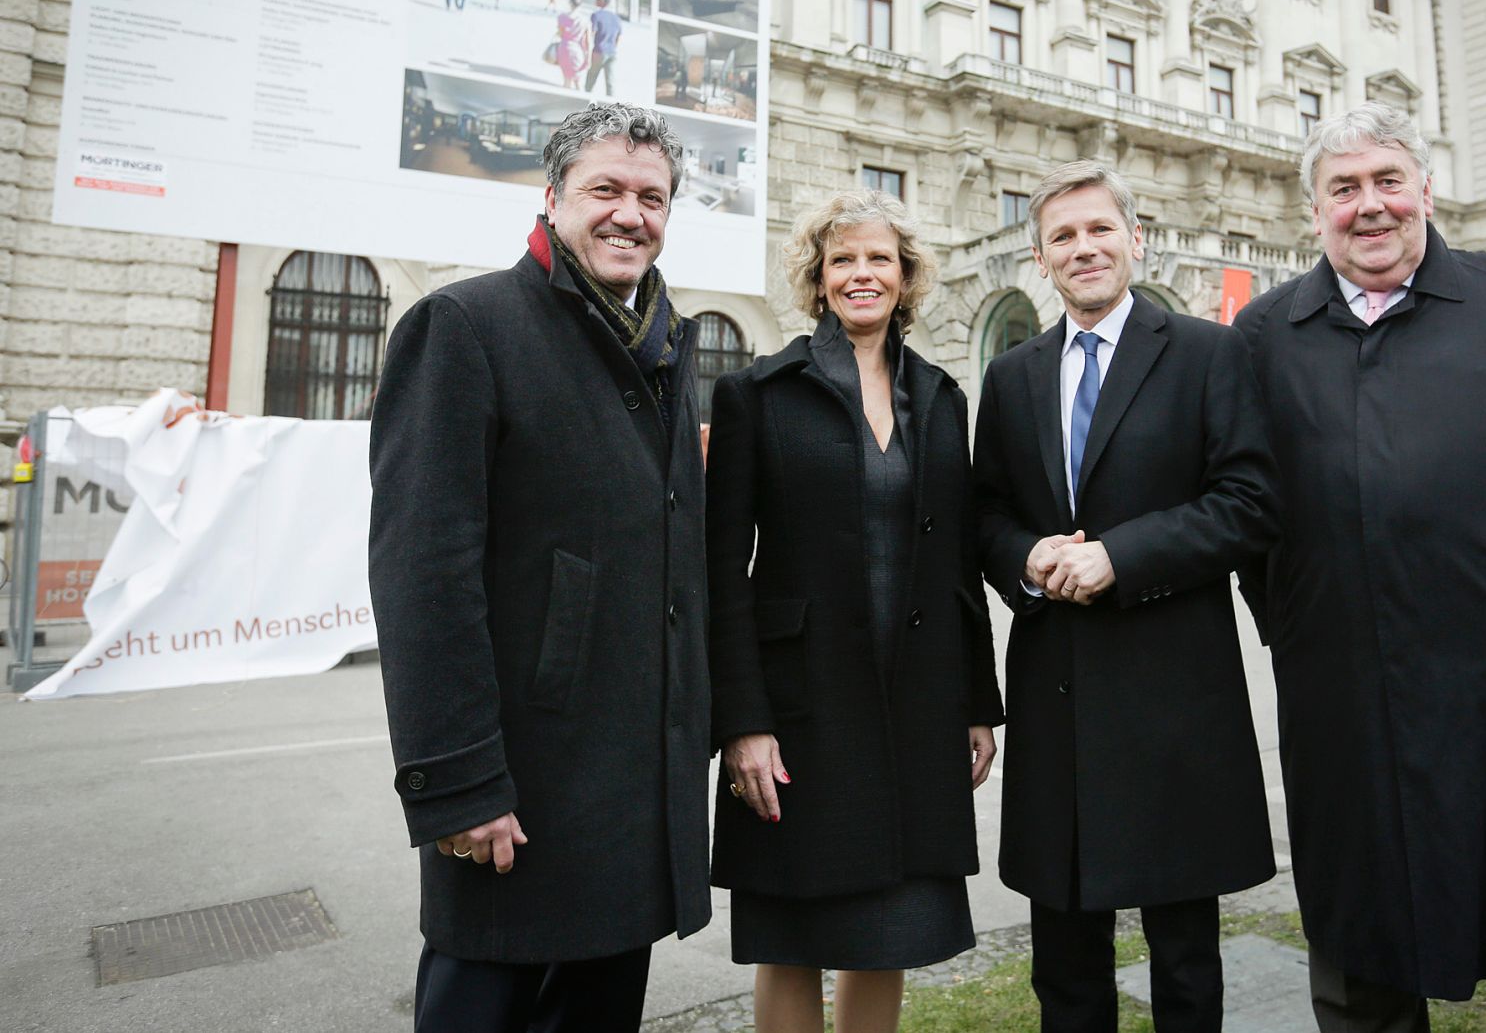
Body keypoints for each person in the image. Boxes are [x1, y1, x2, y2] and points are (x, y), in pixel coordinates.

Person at [1234, 104, 1486, 1033]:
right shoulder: (1266, 334)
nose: (1369, 206)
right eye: (1343, 189)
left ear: (1426, 188)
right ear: (1314, 213)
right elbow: (1247, 510)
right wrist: (1300, 620)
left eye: (1388, 181)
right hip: (1344, 689)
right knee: (1360, 940)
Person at [368, 102, 711, 1033]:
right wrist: (460, 784)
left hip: (630, 791)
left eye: (652, 197)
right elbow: (422, 575)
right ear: (554, 196)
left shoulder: (662, 345)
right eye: (606, 190)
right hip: (517, 793)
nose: (629, 215)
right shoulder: (465, 326)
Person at [972, 160, 1281, 1033]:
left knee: (1185, 962)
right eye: (1063, 237)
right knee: (1065, 967)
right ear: (1041, 257)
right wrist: (1028, 557)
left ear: (1135, 240)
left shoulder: (1209, 353)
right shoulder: (1014, 375)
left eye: (1100, 229)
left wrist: (1123, 556)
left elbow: (1251, 503)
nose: (1084, 248)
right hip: (1057, 700)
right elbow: (985, 514)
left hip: (1173, 697)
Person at [706, 189, 1004, 1033]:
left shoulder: (943, 396)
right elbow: (723, 572)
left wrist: (976, 703)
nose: (861, 274)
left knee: (889, 930)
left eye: (880, 259)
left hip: (915, 702)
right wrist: (742, 721)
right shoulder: (757, 394)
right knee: (790, 934)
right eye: (843, 260)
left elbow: (957, 561)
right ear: (818, 278)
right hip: (798, 709)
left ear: (905, 278)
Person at [583, 0, 621, 95]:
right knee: (610, 80)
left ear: (603, 2)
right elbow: (618, 36)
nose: (596, 1)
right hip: (612, 52)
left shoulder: (596, 15)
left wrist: (588, 50)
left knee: (592, 76)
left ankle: (586, 97)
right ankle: (610, 103)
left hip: (599, 51)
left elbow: (592, 32)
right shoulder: (616, 18)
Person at [555, 0, 589, 90]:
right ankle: (581, 103)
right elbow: (587, 41)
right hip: (577, 50)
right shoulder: (584, 20)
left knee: (566, 80)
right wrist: (588, 57)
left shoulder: (561, 17)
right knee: (578, 81)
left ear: (570, 2)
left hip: (564, 48)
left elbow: (560, 34)